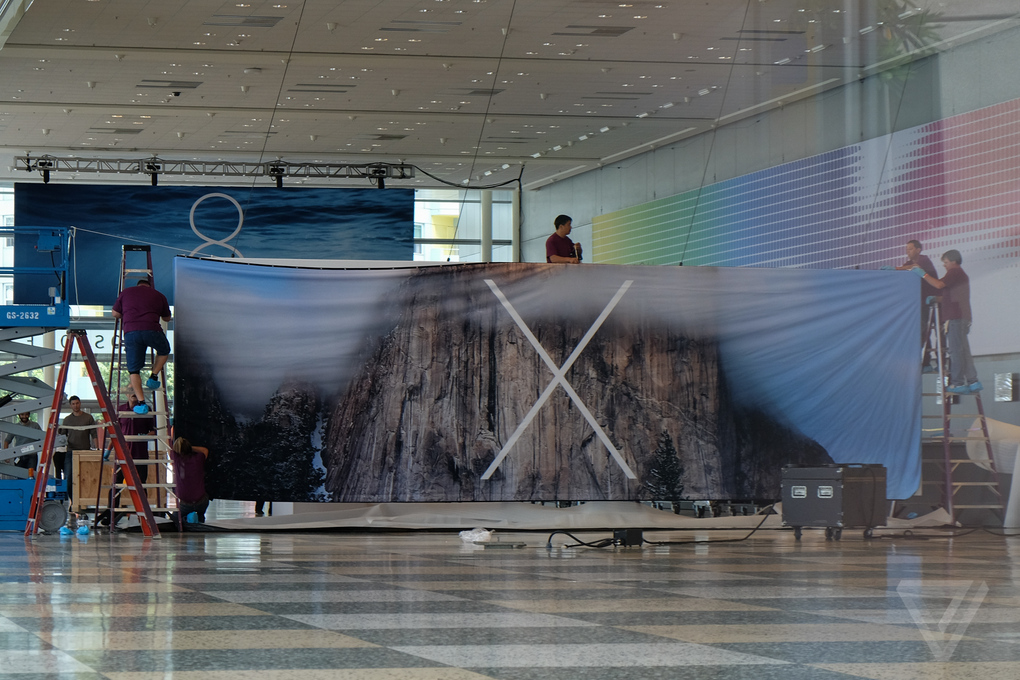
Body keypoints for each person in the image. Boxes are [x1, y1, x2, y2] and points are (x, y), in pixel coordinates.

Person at [912, 250, 981, 394]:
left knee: (955, 351)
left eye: (945, 262)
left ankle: (957, 382)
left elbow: (938, 285)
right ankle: (973, 380)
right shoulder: (960, 275)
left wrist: (923, 274)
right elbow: (952, 296)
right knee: (963, 351)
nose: (944, 265)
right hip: (962, 316)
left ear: (953, 261)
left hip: (955, 317)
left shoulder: (954, 272)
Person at [112, 279, 172, 415]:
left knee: (133, 370)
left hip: (131, 333)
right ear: (149, 286)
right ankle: (153, 376)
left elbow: (115, 314)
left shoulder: (125, 292)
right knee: (164, 351)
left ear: (138, 285)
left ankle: (141, 403)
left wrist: (126, 313)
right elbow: (167, 318)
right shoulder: (159, 295)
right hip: (152, 330)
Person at [104, 393, 157, 525]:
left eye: (135, 391)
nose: (133, 393)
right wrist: (108, 450)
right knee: (116, 485)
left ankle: (143, 516)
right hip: (122, 454)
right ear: (127, 395)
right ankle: (112, 515)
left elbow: (153, 431)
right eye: (131, 391)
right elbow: (115, 432)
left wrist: (144, 435)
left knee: (141, 485)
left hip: (140, 454)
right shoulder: (121, 410)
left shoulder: (146, 410)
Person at [895, 240, 939, 368]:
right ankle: (925, 363)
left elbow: (914, 269)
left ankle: (941, 364)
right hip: (918, 303)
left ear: (918, 250)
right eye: (906, 249)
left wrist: (897, 268)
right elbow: (903, 271)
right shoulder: (908, 263)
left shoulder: (924, 260)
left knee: (936, 333)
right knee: (921, 332)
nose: (907, 251)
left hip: (932, 303)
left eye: (910, 249)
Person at [58, 396, 97, 491]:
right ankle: (71, 500)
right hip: (71, 452)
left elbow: (94, 434)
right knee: (68, 476)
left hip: (85, 451)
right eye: (73, 404)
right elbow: (62, 436)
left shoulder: (88, 417)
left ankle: (83, 500)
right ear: (70, 405)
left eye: (77, 403)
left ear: (80, 403)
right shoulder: (67, 420)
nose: (75, 406)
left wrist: (98, 449)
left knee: (86, 476)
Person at [171, 437, 210, 523]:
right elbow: (205, 450)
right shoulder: (198, 459)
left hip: (185, 503)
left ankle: (186, 519)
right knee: (201, 509)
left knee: (174, 520)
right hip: (201, 502)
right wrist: (190, 447)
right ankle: (200, 518)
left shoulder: (177, 460)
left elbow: (169, 447)